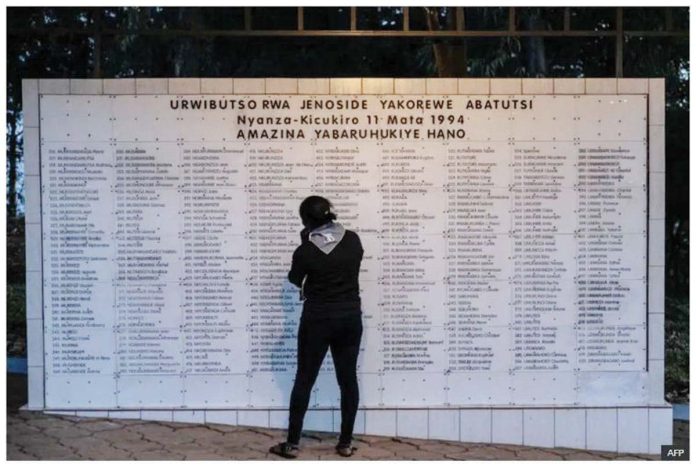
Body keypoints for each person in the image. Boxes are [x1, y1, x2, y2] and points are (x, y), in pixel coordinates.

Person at [269, 195, 364, 459]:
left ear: (307, 220)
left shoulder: (306, 251)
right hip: (350, 318)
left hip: (317, 320)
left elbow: (294, 279)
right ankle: (345, 443)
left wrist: (305, 243)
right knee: (348, 380)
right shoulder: (354, 239)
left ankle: (291, 444)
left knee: (304, 379)